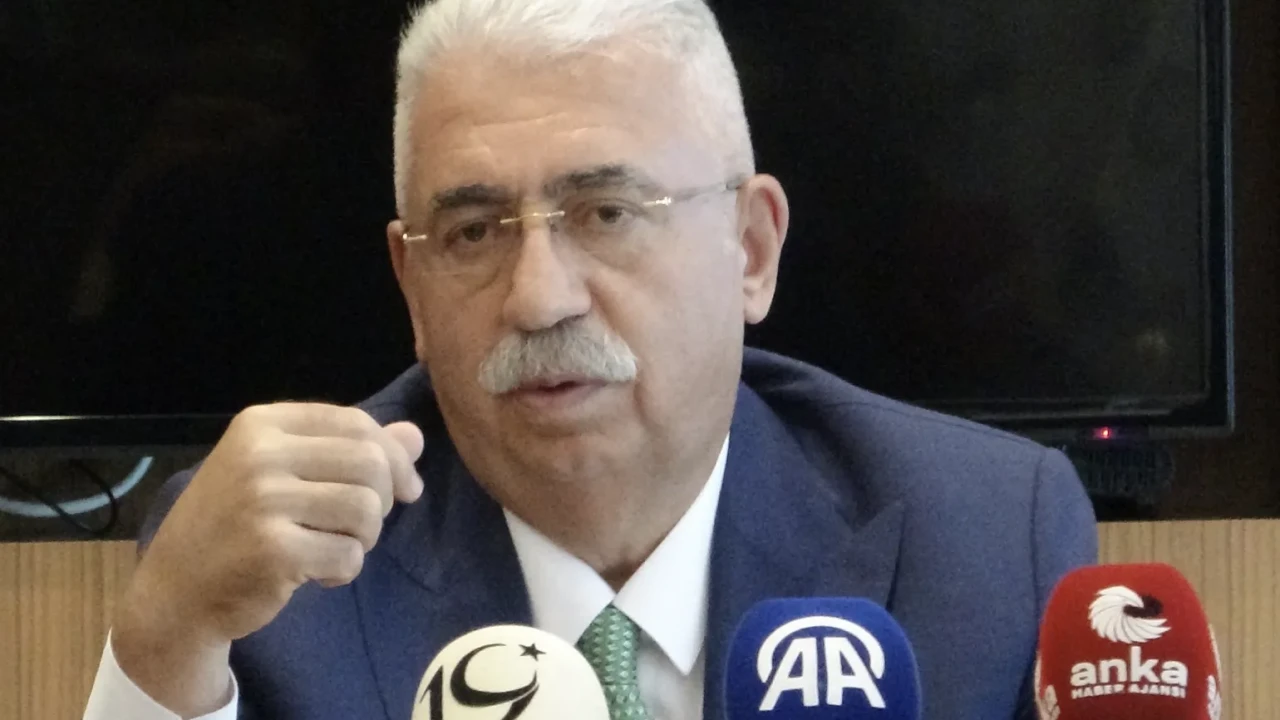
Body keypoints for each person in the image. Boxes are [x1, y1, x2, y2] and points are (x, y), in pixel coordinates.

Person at [83, 1, 1098, 718]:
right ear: (413, 289)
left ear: (750, 250)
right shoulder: (288, 583)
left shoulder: (984, 543)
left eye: (606, 212)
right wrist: (162, 642)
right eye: (473, 232)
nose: (538, 298)